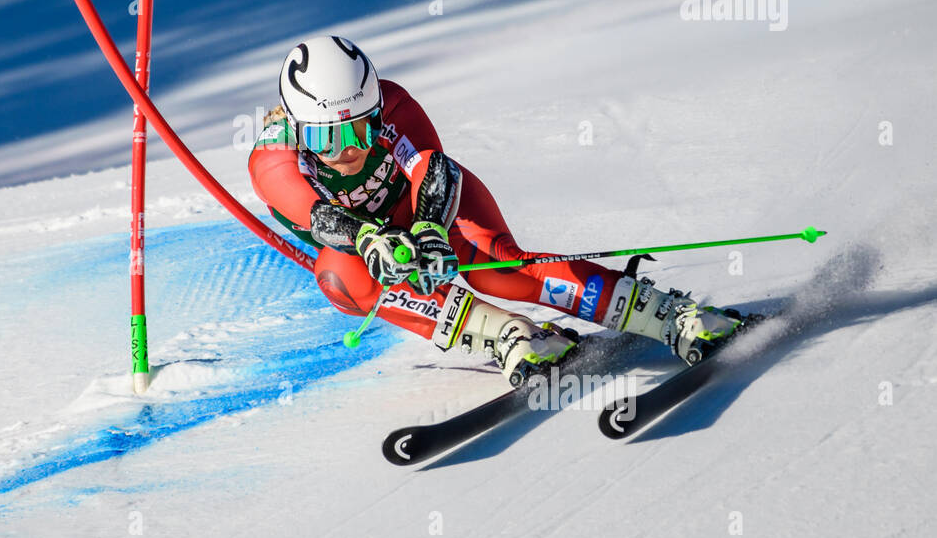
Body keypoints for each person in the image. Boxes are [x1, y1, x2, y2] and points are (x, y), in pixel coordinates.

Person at [247, 35, 744, 384]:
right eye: (325, 138)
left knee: (496, 269)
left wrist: (428, 230)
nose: (346, 148)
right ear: (297, 126)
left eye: (359, 129)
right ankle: (509, 336)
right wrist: (372, 240)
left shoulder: (393, 106)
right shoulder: (273, 158)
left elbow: (431, 170)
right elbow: (319, 218)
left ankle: (668, 315)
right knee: (343, 281)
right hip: (357, 242)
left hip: (423, 209)